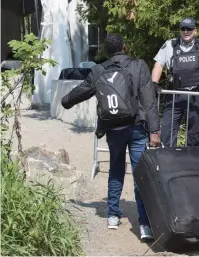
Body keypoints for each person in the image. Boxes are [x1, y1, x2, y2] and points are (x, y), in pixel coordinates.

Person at [61, 33, 160, 240]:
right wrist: (154, 131)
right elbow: (148, 100)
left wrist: (65, 101)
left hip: (113, 129)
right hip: (136, 128)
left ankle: (113, 216)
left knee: (115, 169)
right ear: (124, 46)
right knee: (139, 173)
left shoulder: (98, 70)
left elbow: (83, 90)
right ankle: (144, 226)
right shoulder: (138, 65)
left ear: (106, 51)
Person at [151, 17, 199, 147]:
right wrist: (154, 83)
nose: (186, 32)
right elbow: (159, 64)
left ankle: (191, 163)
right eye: (183, 29)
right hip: (174, 95)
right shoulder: (170, 45)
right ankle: (169, 161)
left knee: (194, 134)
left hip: (196, 95)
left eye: (189, 29)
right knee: (167, 132)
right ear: (180, 30)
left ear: (195, 31)